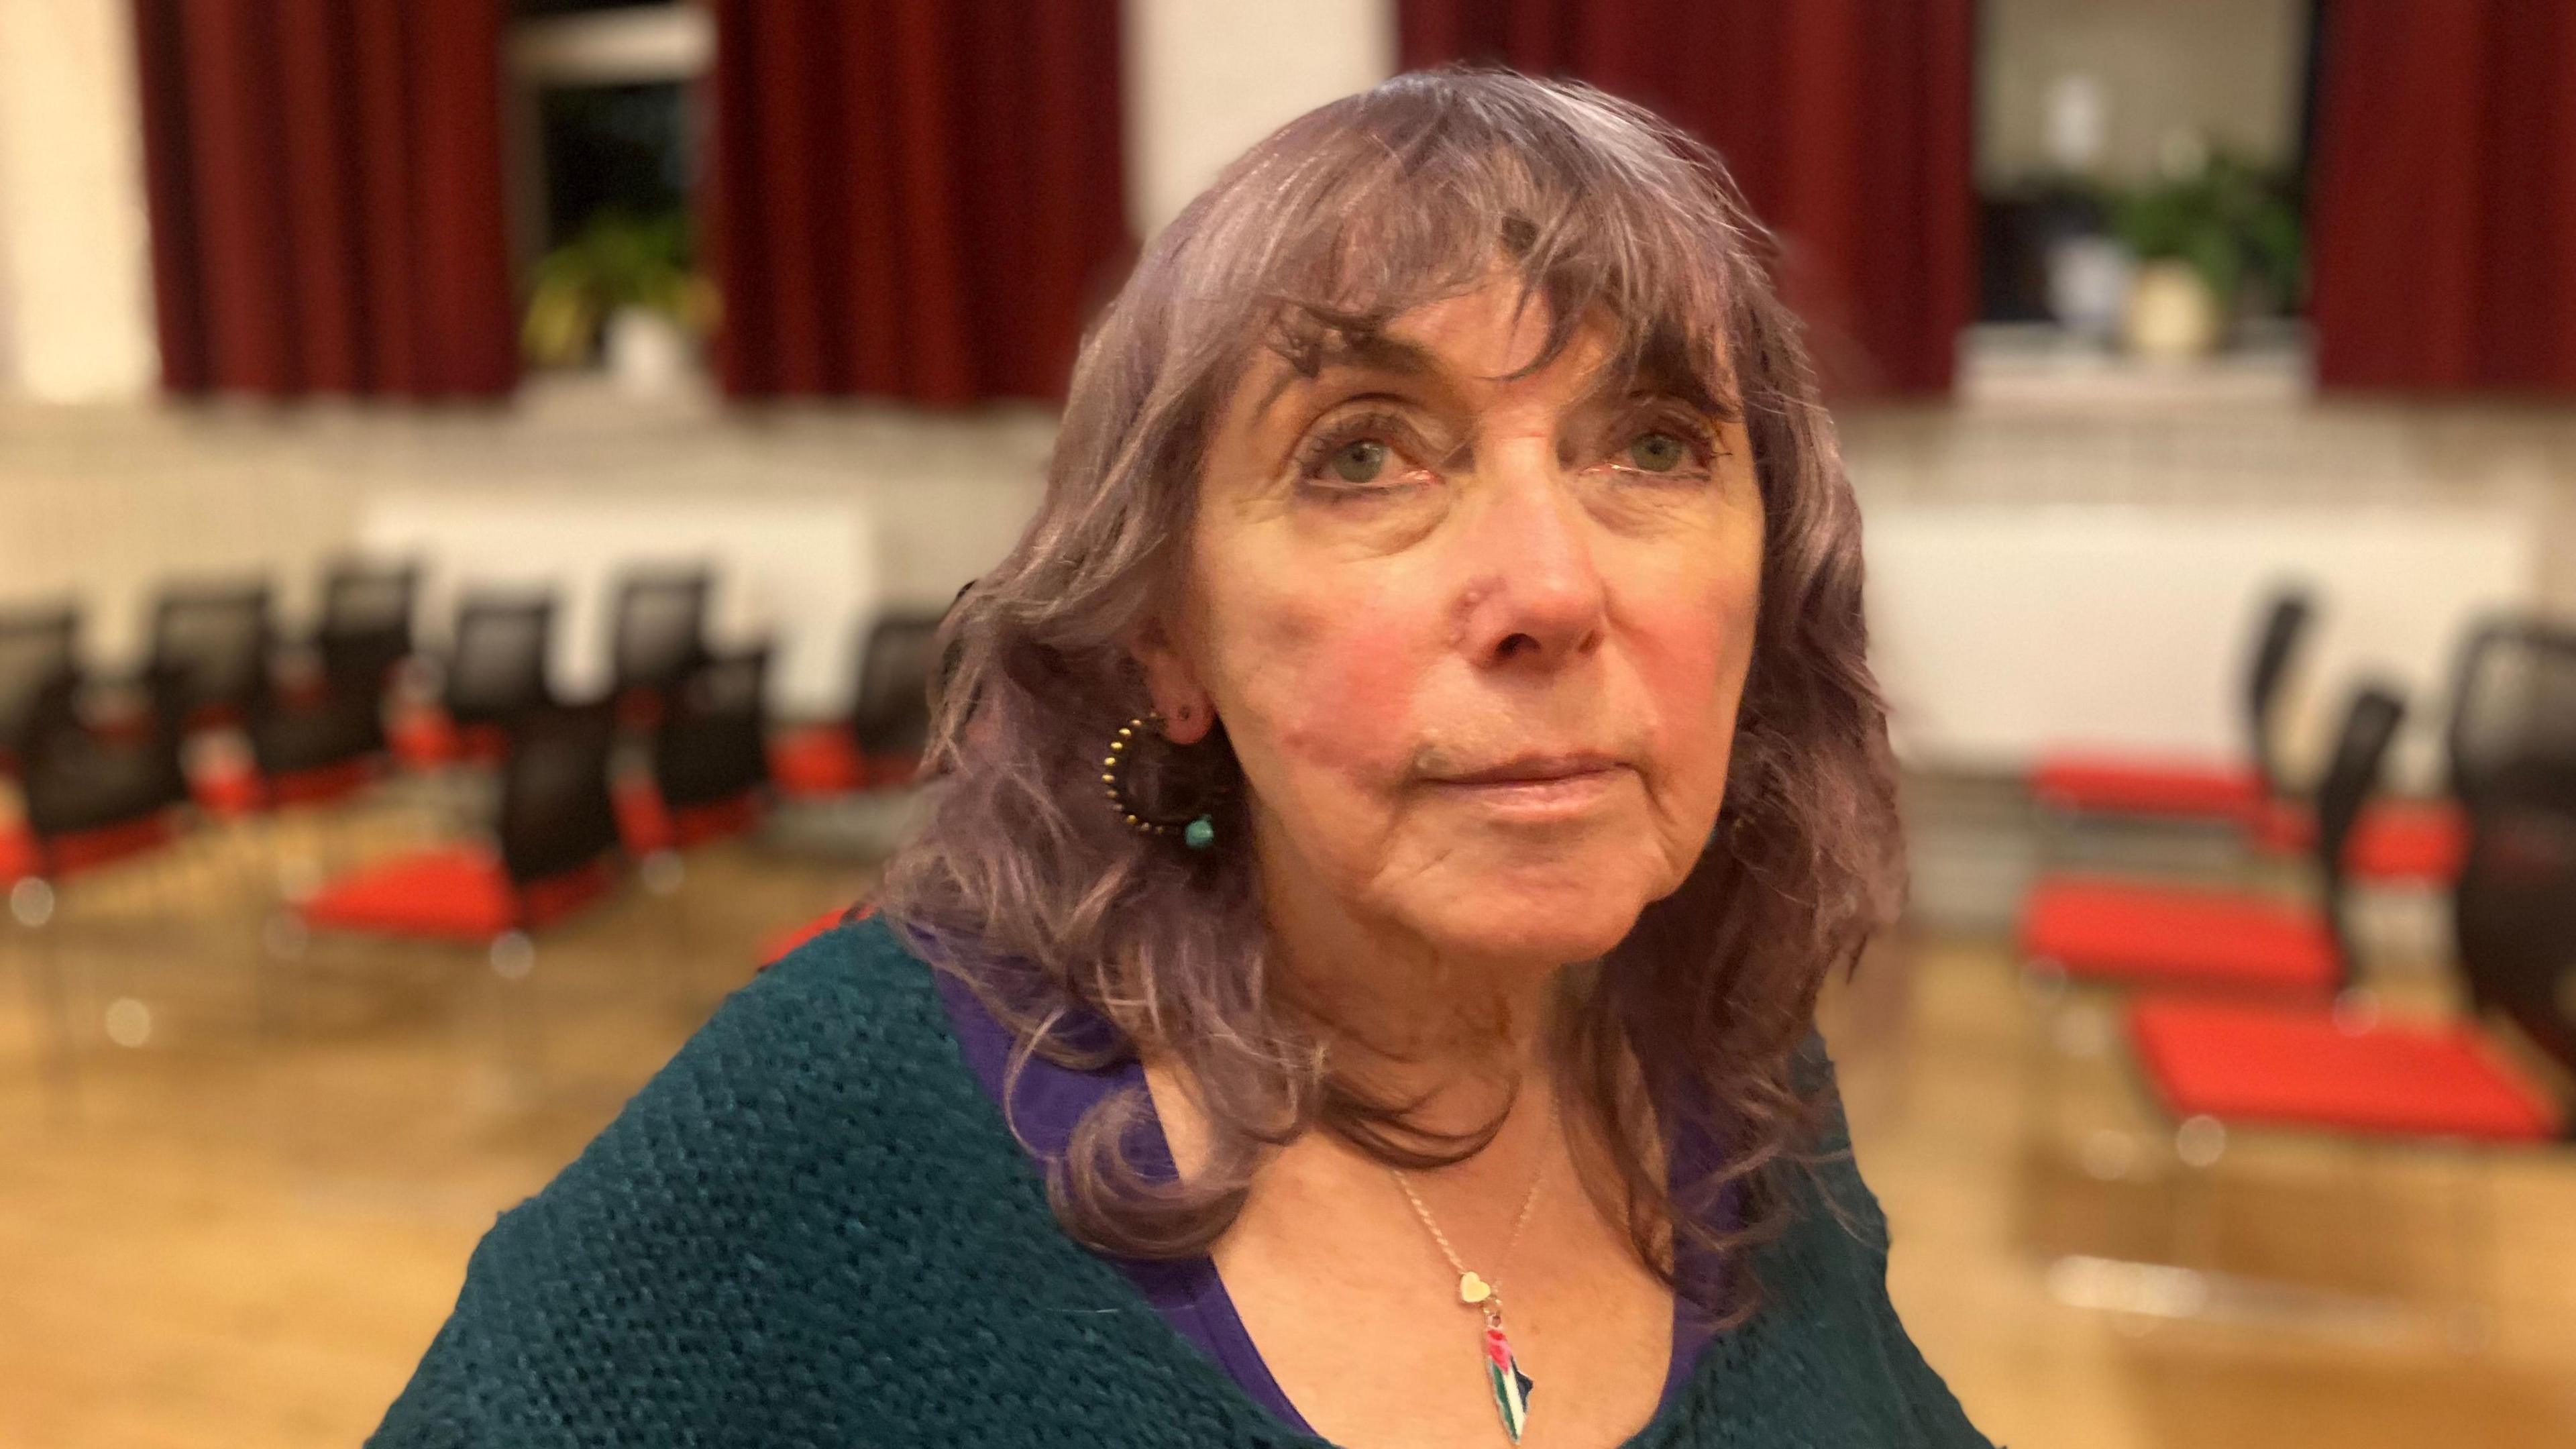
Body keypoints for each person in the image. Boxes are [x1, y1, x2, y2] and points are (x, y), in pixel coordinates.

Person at [370, 67, 1992, 1449]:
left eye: (1654, 446)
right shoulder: (841, 1120)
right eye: (1366, 456)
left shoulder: (1746, 1081)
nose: (1555, 590)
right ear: (1167, 633)